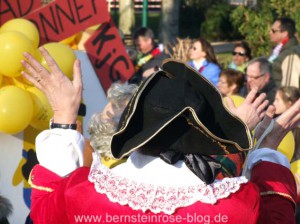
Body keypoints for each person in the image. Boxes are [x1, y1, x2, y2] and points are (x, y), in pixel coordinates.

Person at [22, 48, 299, 223]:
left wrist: (64, 117)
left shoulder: (82, 193)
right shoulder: (236, 207)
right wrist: (267, 152)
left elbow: (44, 209)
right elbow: (276, 215)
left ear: (134, 131)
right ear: (205, 140)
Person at [269, 17, 300, 88]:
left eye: (273, 31)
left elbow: (291, 86)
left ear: (284, 34)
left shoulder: (291, 54)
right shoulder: (277, 50)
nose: (270, 33)